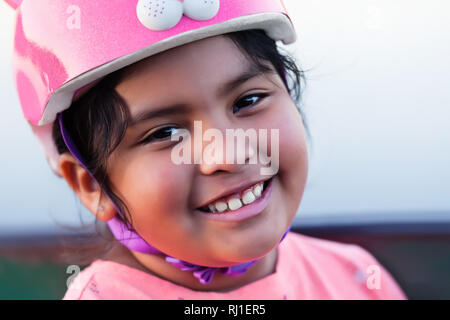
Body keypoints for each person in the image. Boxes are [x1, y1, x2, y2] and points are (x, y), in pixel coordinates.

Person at [8, 0, 407, 299]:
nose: (228, 155)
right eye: (165, 132)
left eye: (248, 101)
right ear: (91, 185)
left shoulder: (356, 278)